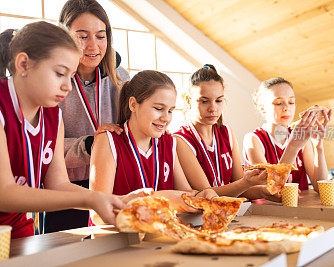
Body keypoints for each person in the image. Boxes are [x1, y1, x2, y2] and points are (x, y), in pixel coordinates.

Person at [0, 22, 128, 239]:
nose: (68, 86)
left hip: (17, 225)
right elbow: (4, 193)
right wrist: (91, 200)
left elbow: (58, 184)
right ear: (23, 64)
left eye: (71, 76)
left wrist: (109, 199)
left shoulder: (53, 117)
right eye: (60, 73)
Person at [44, 0, 130, 232]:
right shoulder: (50, 80)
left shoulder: (119, 75)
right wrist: (90, 145)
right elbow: (44, 148)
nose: (93, 45)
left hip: (111, 185)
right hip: (65, 191)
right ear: (64, 36)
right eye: (82, 36)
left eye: (100, 36)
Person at [89, 70, 216, 220]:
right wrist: (159, 200)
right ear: (133, 104)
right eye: (158, 108)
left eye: (170, 111)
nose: (165, 118)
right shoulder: (108, 140)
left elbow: (185, 193)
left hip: (156, 238)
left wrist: (202, 195)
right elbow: (97, 214)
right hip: (114, 241)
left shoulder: (168, 142)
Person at [174, 65, 269, 198]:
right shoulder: (180, 140)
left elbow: (241, 188)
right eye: (204, 101)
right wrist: (246, 183)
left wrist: (265, 192)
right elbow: (207, 195)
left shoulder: (227, 133)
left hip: (230, 212)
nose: (213, 108)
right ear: (188, 100)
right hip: (202, 215)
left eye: (218, 100)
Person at [243, 77, 331, 198]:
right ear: (262, 108)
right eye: (279, 103)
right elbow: (272, 188)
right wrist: (293, 146)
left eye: (291, 102)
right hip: (267, 211)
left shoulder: (301, 137)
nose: (286, 108)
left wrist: (318, 145)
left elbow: (320, 187)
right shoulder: (253, 139)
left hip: (299, 209)